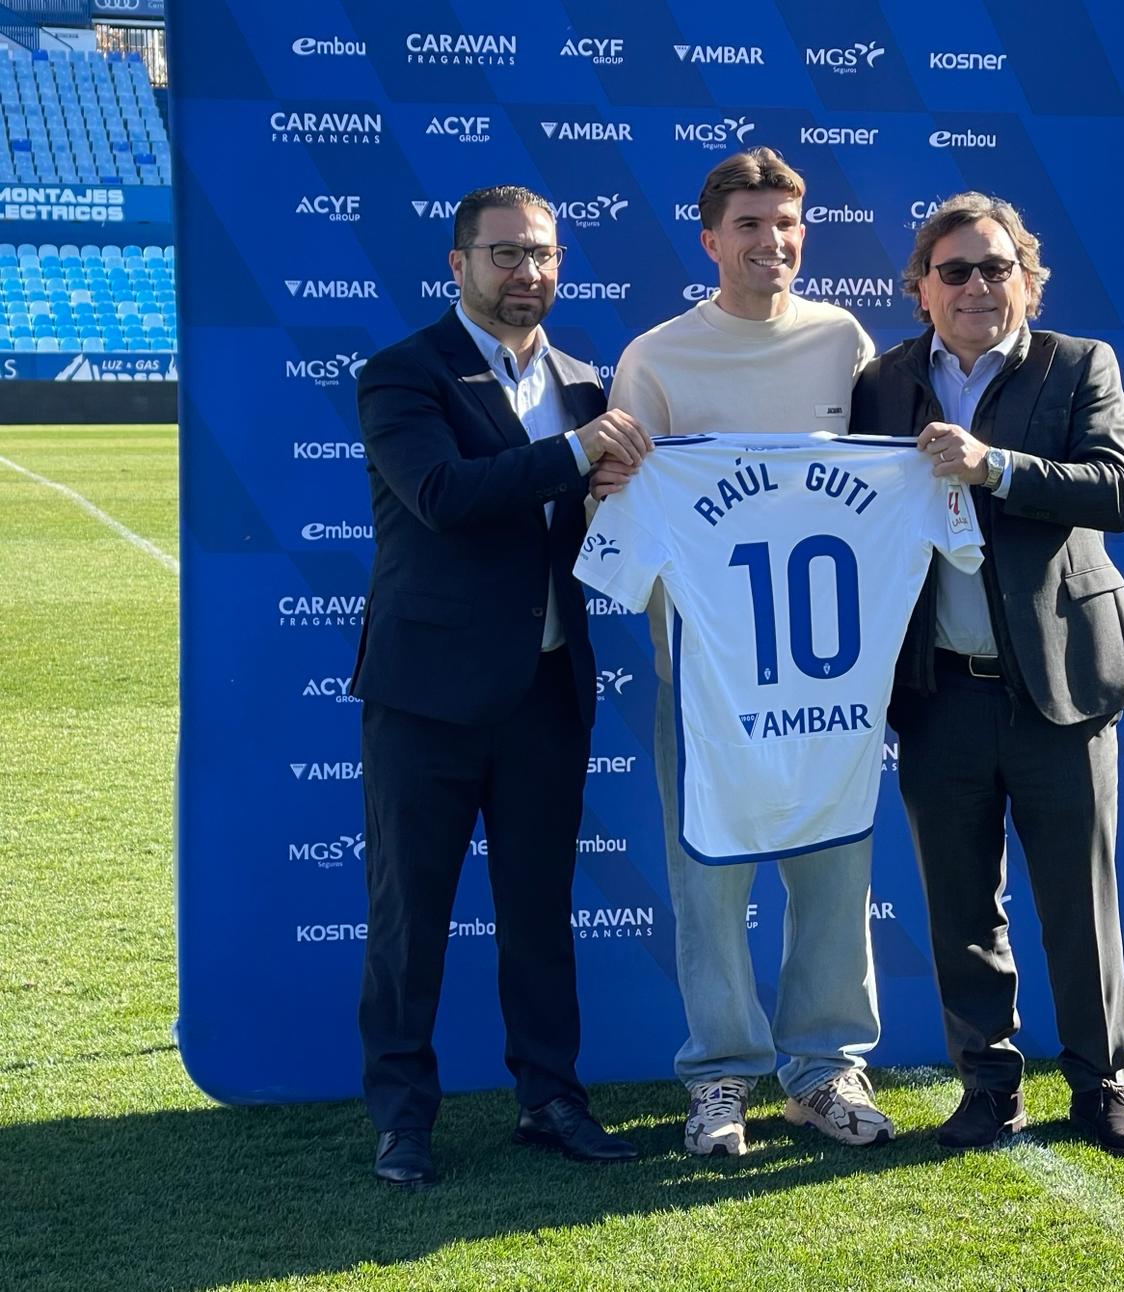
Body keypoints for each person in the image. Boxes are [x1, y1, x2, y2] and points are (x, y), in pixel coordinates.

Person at [592, 148, 894, 1155]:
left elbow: (882, 487)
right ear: (711, 238)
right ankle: (719, 1073)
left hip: (829, 680)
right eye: (752, 226)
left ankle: (822, 1070)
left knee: (834, 874)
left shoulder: (842, 342)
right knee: (709, 881)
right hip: (706, 679)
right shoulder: (659, 356)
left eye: (786, 225)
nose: (772, 243)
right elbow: (627, 509)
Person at [848, 192, 1124, 1155]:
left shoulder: (1079, 364)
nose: (978, 286)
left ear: (1029, 279)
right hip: (938, 689)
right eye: (956, 271)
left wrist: (997, 466)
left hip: (1059, 682)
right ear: (921, 290)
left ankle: (1100, 1085)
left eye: (997, 268)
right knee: (959, 902)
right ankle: (988, 1086)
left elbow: (1116, 489)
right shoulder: (882, 380)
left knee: (1078, 895)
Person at [353, 184, 651, 1186]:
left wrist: (618, 487)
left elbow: (593, 522)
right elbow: (441, 496)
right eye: (505, 255)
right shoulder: (403, 374)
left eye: (542, 255)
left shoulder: (582, 383)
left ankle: (551, 1095)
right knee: (409, 916)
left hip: (545, 689)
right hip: (427, 698)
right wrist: (578, 456)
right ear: (457, 264)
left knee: (538, 910)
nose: (528, 274)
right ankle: (401, 1116)